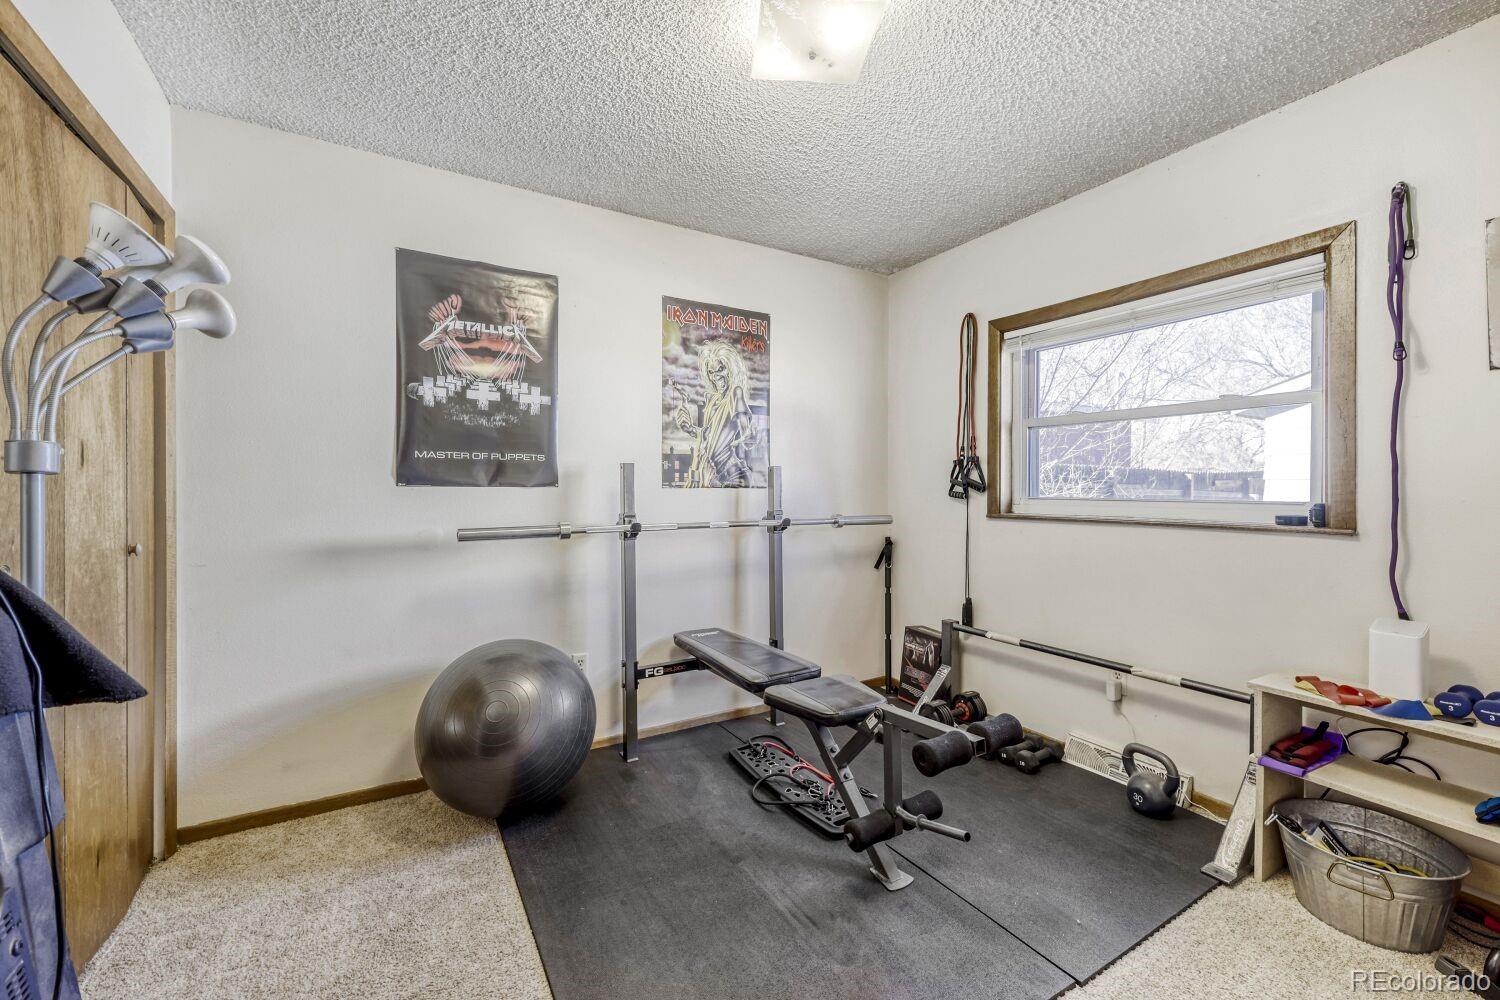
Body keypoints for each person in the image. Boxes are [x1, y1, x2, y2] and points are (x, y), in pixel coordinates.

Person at [671, 341, 758, 487]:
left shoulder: (735, 393)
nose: (716, 376)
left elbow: (748, 439)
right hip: (714, 476)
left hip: (734, 476)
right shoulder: (712, 399)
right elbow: (708, 436)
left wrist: (750, 435)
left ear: (730, 369)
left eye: (720, 369)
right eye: (711, 372)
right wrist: (689, 428)